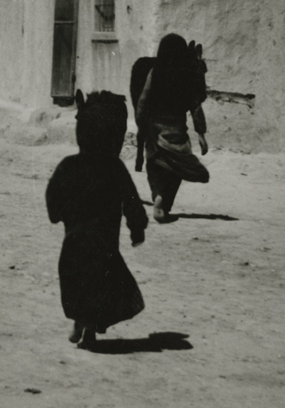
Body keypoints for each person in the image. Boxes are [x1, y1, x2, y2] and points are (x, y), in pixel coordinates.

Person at [46, 90, 149, 347]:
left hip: (74, 243)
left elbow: (53, 196)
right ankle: (88, 328)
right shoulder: (115, 168)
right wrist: (137, 228)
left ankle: (82, 323)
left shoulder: (69, 165)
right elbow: (132, 201)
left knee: (78, 284)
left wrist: (57, 214)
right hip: (105, 245)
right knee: (101, 285)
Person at [132, 32, 210, 222]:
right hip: (177, 132)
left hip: (155, 131)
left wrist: (141, 122)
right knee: (177, 169)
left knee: (154, 167)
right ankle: (165, 204)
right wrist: (201, 133)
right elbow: (195, 107)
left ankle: (157, 195)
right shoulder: (187, 76)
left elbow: (143, 100)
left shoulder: (154, 72)